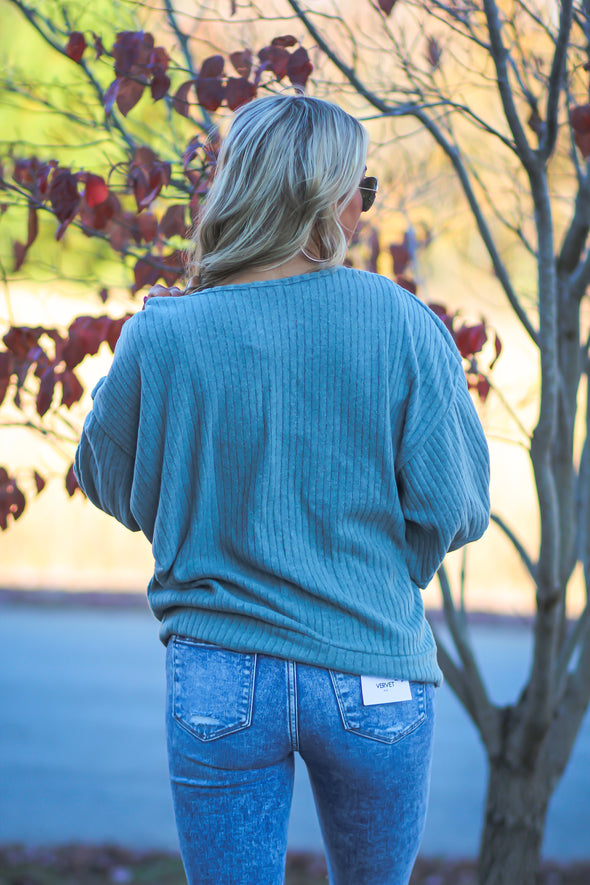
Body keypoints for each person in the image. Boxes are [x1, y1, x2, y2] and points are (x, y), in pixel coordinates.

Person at [74, 93, 490, 885]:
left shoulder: (162, 333)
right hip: (374, 663)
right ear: (329, 199)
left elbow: (104, 477)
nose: (363, 208)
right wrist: (377, 564)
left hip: (219, 666)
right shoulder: (402, 322)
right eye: (361, 190)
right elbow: (459, 505)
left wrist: (200, 510)